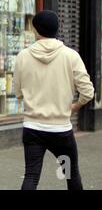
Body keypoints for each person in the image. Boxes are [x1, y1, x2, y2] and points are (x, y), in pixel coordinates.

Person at [14, 10, 94, 190]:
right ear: (56, 29)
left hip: (33, 129)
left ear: (35, 30)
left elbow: (18, 92)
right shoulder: (70, 56)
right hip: (61, 133)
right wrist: (74, 107)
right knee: (70, 174)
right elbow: (88, 92)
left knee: (31, 176)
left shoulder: (23, 56)